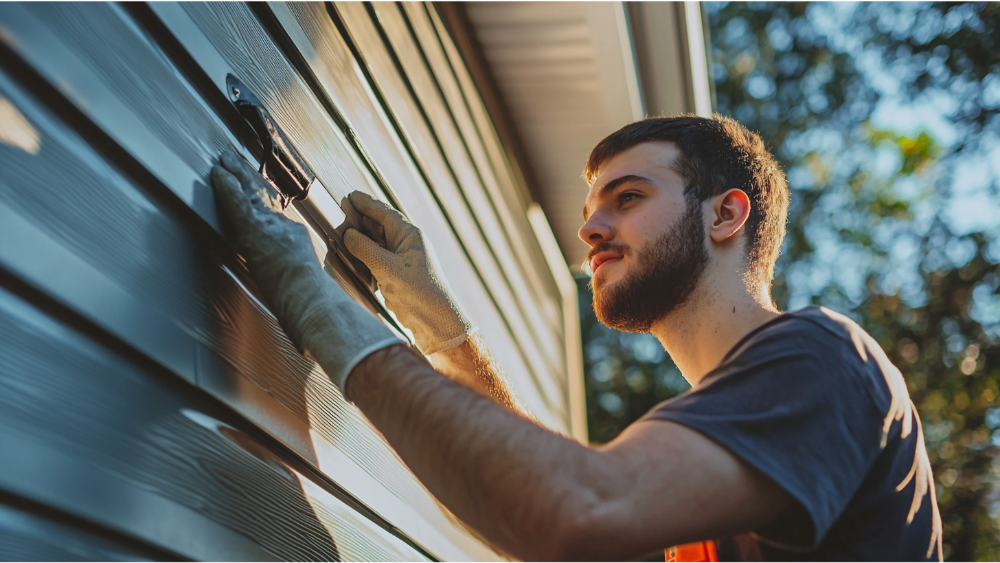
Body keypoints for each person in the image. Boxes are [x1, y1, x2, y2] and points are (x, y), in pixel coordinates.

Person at [210, 115, 942, 563]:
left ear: (727, 216)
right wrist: (446, 333)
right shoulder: (732, 444)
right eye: (591, 209)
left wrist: (318, 305)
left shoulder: (823, 359)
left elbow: (575, 511)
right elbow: (549, 512)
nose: (590, 229)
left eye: (628, 198)